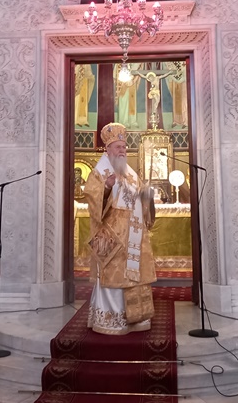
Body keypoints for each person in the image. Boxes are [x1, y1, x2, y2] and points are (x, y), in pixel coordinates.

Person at [84, 122, 156, 335]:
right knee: (115, 277)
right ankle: (112, 320)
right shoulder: (99, 172)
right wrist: (106, 186)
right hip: (112, 239)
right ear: (108, 149)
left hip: (133, 236)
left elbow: (140, 198)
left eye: (124, 147)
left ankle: (137, 319)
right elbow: (92, 200)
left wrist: (147, 195)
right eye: (118, 147)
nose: (122, 150)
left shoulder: (130, 173)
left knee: (134, 276)